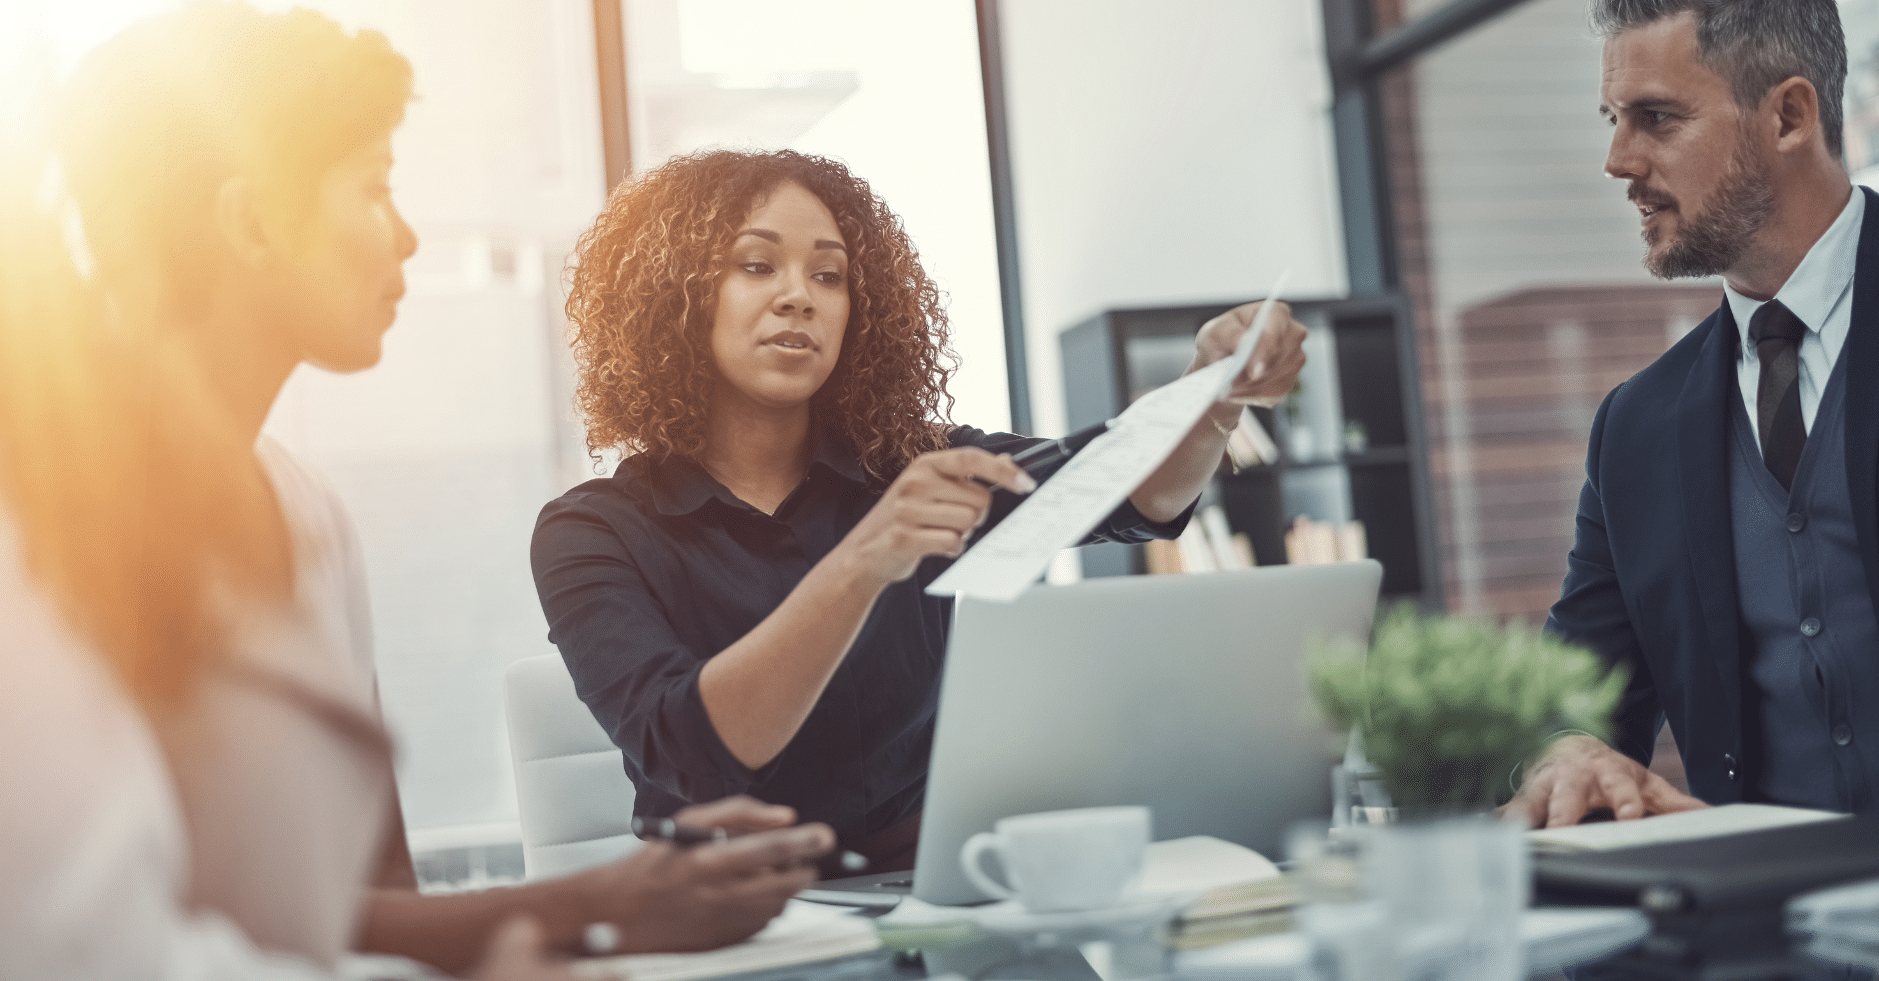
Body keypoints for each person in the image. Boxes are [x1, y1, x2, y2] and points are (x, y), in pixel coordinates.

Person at [0, 5, 828, 979]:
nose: (404, 238)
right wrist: (587, 907)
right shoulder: (40, 500)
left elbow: (370, 889)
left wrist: (545, 937)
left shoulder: (303, 513)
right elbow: (85, 946)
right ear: (252, 220)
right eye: (372, 189)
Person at [531, 149, 1308, 869]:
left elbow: (1131, 488)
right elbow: (700, 754)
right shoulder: (592, 532)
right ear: (675, 298)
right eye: (756, 265)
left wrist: (1212, 390)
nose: (798, 296)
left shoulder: (907, 469)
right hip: (723, 922)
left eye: (829, 276)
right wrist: (865, 560)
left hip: (925, 885)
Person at [1508, 0, 1878, 829]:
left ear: (1787, 115)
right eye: (1613, 119)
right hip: (1762, 939)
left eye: (1655, 118)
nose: (1615, 159)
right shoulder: (1633, 428)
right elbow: (1568, 695)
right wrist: (1565, 747)